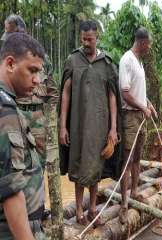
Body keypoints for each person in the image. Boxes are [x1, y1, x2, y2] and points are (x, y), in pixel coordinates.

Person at [59, 20, 120, 226]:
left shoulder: (106, 63)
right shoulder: (73, 60)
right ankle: (78, 212)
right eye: (83, 39)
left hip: (100, 127)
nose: (86, 43)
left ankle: (93, 210)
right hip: (77, 125)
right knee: (78, 167)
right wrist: (62, 125)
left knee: (96, 169)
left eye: (90, 39)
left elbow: (113, 96)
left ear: (97, 38)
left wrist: (113, 128)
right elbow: (65, 92)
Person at [0, 33, 46, 239]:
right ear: (10, 64)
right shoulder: (6, 112)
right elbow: (11, 192)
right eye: (32, 70)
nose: (37, 80)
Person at [1, 14, 58, 169]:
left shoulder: (41, 58)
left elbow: (52, 93)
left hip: (36, 120)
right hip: (10, 117)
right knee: (12, 165)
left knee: (36, 166)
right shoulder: (4, 58)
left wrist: (49, 122)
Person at [118, 27, 157, 223]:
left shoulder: (139, 62)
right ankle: (124, 204)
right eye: (148, 43)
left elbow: (137, 89)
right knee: (127, 159)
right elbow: (125, 93)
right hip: (131, 117)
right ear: (142, 42)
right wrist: (143, 107)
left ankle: (134, 192)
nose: (149, 47)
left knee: (137, 157)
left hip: (141, 116)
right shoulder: (127, 60)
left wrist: (148, 103)